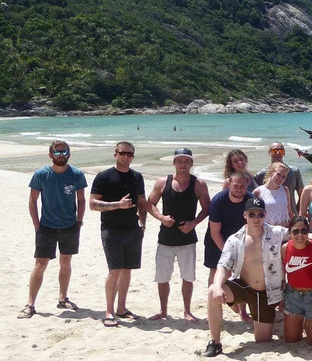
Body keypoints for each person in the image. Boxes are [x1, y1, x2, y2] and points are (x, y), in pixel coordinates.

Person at [204, 198, 290, 356]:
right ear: (245, 215)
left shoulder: (277, 233)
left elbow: (299, 233)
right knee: (211, 291)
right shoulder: (235, 239)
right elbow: (223, 265)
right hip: (244, 287)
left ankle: (248, 310)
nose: (256, 218)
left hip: (266, 293)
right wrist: (217, 287)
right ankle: (215, 343)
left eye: (260, 214)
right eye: (252, 214)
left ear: (265, 215)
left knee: (262, 340)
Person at [18, 140, 88, 319]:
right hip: (46, 226)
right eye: (57, 152)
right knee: (40, 265)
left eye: (64, 152)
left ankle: (63, 298)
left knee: (66, 263)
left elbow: (81, 200)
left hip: (69, 226)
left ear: (69, 155)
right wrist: (36, 224)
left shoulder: (77, 174)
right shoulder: (41, 174)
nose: (61, 155)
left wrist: (79, 221)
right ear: (50, 154)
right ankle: (30, 304)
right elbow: (33, 200)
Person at [145, 148, 211, 321]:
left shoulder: (199, 184)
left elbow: (207, 208)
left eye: (187, 161)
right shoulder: (162, 182)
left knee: (187, 277)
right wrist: (161, 218)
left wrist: (194, 223)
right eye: (180, 160)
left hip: (187, 238)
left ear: (191, 163)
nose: (183, 164)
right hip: (165, 238)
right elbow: (150, 204)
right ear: (174, 163)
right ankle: (163, 310)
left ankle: (187, 311)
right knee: (162, 277)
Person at [90, 142, 147, 327]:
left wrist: (143, 224)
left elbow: (141, 201)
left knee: (127, 270)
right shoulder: (104, 177)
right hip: (111, 229)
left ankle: (121, 308)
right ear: (115, 154)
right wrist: (117, 205)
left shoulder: (137, 177)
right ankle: (109, 310)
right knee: (114, 271)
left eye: (130, 154)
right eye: (122, 153)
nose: (126, 157)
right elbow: (93, 204)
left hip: (132, 229)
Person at [282, 215, 312, 346]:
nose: (300, 235)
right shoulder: (285, 248)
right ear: (290, 232)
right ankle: (302, 322)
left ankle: (307, 322)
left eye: (304, 231)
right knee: (291, 340)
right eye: (295, 231)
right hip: (292, 295)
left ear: (308, 232)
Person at [204, 172, 249, 290]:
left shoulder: (251, 201)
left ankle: (240, 308)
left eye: (242, 186)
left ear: (247, 184)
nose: (239, 189)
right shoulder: (218, 201)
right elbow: (215, 233)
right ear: (229, 184)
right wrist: (230, 256)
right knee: (216, 271)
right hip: (217, 239)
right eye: (236, 186)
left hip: (239, 240)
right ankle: (214, 302)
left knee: (240, 274)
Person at [253, 141, 304, 206]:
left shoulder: (294, 172)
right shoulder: (261, 174)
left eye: (280, 151)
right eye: (274, 151)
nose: (277, 153)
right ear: (269, 153)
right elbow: (257, 196)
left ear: (284, 153)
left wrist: (298, 210)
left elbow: (302, 194)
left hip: (290, 214)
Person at [254, 161, 294, 227]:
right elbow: (254, 216)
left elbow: (289, 211)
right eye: (278, 174)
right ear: (270, 172)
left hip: (285, 230)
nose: (280, 178)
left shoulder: (285, 190)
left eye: (283, 177)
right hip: (267, 232)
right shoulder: (258, 192)